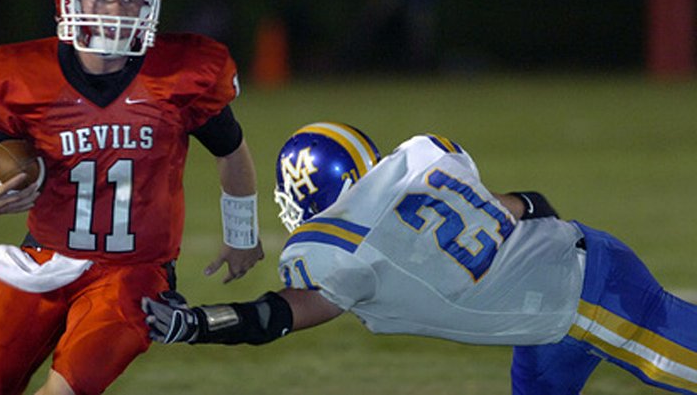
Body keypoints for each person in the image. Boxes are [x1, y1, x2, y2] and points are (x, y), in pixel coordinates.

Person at [143, 121, 697, 395]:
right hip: (562, 294)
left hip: (586, 304)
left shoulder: (337, 251)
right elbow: (527, 204)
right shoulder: (423, 158)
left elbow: (278, 316)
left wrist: (197, 324)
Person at [0, 0, 264, 395]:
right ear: (68, 3)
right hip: (44, 256)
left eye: (126, 0)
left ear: (148, 8)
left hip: (134, 273)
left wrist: (241, 234)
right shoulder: (27, 80)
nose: (114, 11)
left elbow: (230, 149)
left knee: (67, 388)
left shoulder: (177, 76)